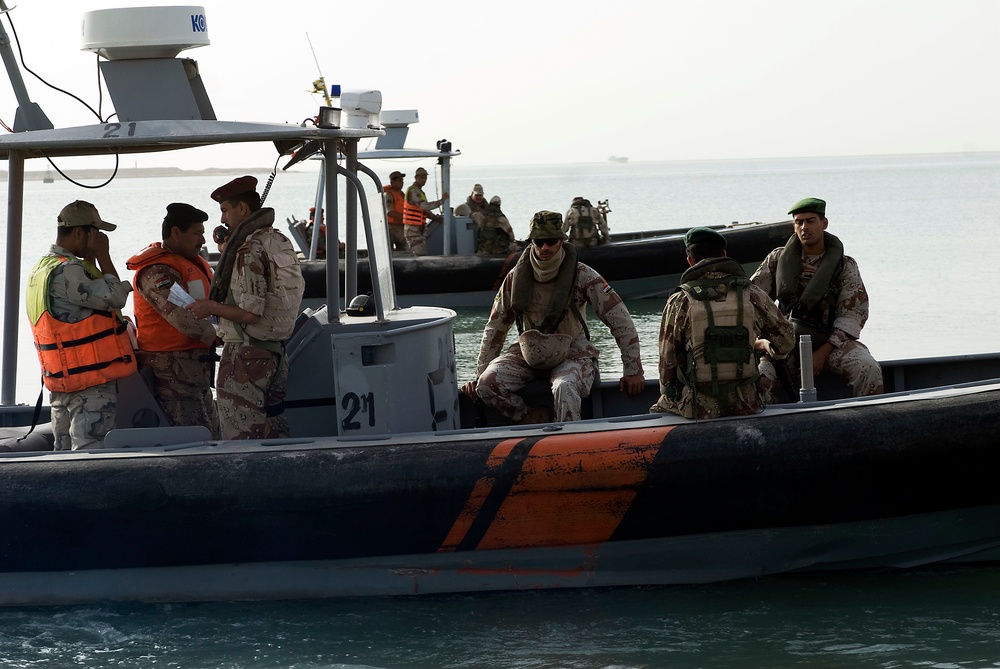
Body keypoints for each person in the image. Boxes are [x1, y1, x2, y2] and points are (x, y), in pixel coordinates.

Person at [461, 210, 645, 423]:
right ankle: (533, 418)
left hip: (572, 352)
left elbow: (620, 321)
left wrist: (633, 370)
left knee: (565, 387)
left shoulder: (583, 275)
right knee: (487, 384)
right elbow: (495, 328)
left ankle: (568, 444)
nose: (544, 247)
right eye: (539, 242)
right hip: (529, 353)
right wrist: (480, 374)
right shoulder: (515, 279)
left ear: (561, 240)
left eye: (550, 241)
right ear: (532, 242)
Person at [187, 176, 305, 440]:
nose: (223, 219)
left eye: (225, 210)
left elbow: (250, 313)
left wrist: (210, 307)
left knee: (241, 436)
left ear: (242, 210)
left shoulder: (248, 250)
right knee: (275, 429)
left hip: (246, 354)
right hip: (275, 352)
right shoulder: (278, 240)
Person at [650, 227, 794, 419]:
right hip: (747, 402)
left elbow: (667, 361)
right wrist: (763, 345)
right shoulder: (752, 294)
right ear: (724, 254)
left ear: (690, 261)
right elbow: (787, 341)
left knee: (655, 414)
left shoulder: (679, 301)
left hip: (696, 406)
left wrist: (670, 391)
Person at [25, 200, 135, 450]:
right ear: (79, 233)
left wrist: (92, 258)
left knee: (64, 457)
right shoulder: (69, 271)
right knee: (90, 456)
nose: (101, 239)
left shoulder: (42, 269)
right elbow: (115, 297)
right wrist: (104, 255)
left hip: (62, 384)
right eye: (96, 233)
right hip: (89, 387)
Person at [750, 197, 884, 401]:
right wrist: (760, 341)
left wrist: (823, 352)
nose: (804, 227)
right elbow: (751, 299)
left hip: (831, 344)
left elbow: (853, 314)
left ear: (824, 223)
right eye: (799, 222)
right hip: (785, 346)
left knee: (868, 368)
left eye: (810, 221)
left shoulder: (844, 266)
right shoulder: (777, 260)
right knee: (759, 382)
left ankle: (872, 422)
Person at [126, 203, 221, 438]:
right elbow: (185, 318)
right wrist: (231, 334)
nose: (202, 240)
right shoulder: (156, 272)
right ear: (176, 233)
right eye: (197, 233)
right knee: (195, 441)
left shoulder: (192, 263)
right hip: (172, 376)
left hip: (196, 374)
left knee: (215, 436)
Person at [403, 166, 449, 256]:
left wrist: (436, 218)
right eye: (421, 178)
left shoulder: (420, 192)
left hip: (418, 229)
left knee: (421, 253)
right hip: (412, 230)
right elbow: (423, 206)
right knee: (420, 254)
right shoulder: (413, 191)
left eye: (425, 178)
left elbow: (424, 212)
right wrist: (441, 201)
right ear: (416, 178)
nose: (424, 180)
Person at [383, 170, 408, 251]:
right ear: (392, 182)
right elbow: (389, 212)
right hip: (390, 228)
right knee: (389, 252)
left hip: (401, 227)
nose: (402, 183)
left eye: (402, 181)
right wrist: (406, 217)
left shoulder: (402, 195)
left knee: (403, 251)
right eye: (400, 180)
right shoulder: (389, 195)